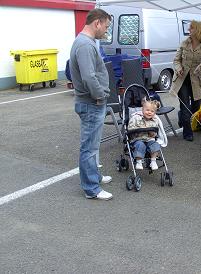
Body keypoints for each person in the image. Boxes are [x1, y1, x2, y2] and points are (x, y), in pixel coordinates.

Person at [70, 9, 113, 200]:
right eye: (106, 26)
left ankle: (93, 177)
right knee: (88, 147)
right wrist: (100, 96)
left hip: (91, 102)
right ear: (97, 23)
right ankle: (91, 189)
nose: (106, 30)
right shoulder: (85, 45)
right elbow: (89, 76)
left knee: (93, 146)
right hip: (91, 103)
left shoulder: (85, 42)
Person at [170, 20, 201, 141]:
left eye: (191, 28)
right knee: (185, 107)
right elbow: (176, 60)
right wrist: (178, 68)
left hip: (196, 81)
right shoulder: (184, 43)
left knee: (196, 107)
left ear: (198, 30)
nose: (189, 30)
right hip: (182, 80)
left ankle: (181, 116)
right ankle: (187, 133)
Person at [128, 99, 161, 170]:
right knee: (140, 145)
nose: (149, 112)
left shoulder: (154, 120)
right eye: (147, 110)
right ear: (142, 110)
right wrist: (140, 129)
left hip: (149, 139)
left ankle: (153, 161)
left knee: (155, 144)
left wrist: (152, 133)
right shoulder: (136, 118)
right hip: (138, 139)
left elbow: (155, 133)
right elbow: (130, 128)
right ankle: (139, 161)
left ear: (155, 113)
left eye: (152, 111)